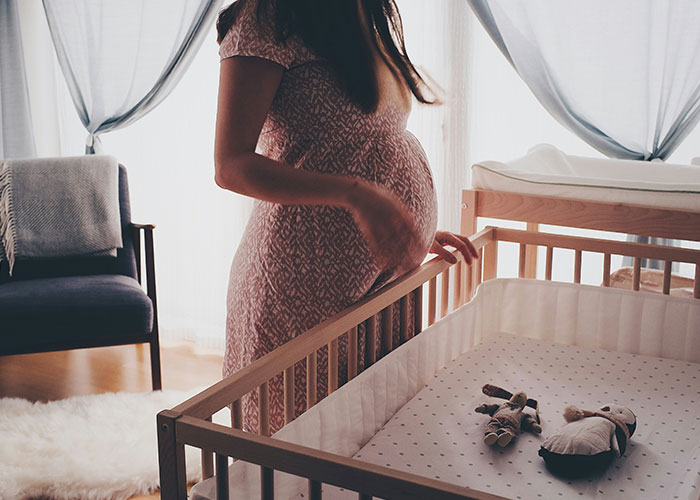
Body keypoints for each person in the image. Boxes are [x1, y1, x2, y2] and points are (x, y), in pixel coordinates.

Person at [214, 0, 478, 433]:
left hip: (378, 290)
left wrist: (404, 228)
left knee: (366, 439)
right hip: (303, 293)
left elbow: (362, 144)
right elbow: (230, 165)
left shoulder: (366, 12)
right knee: (303, 458)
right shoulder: (269, 14)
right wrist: (356, 196)